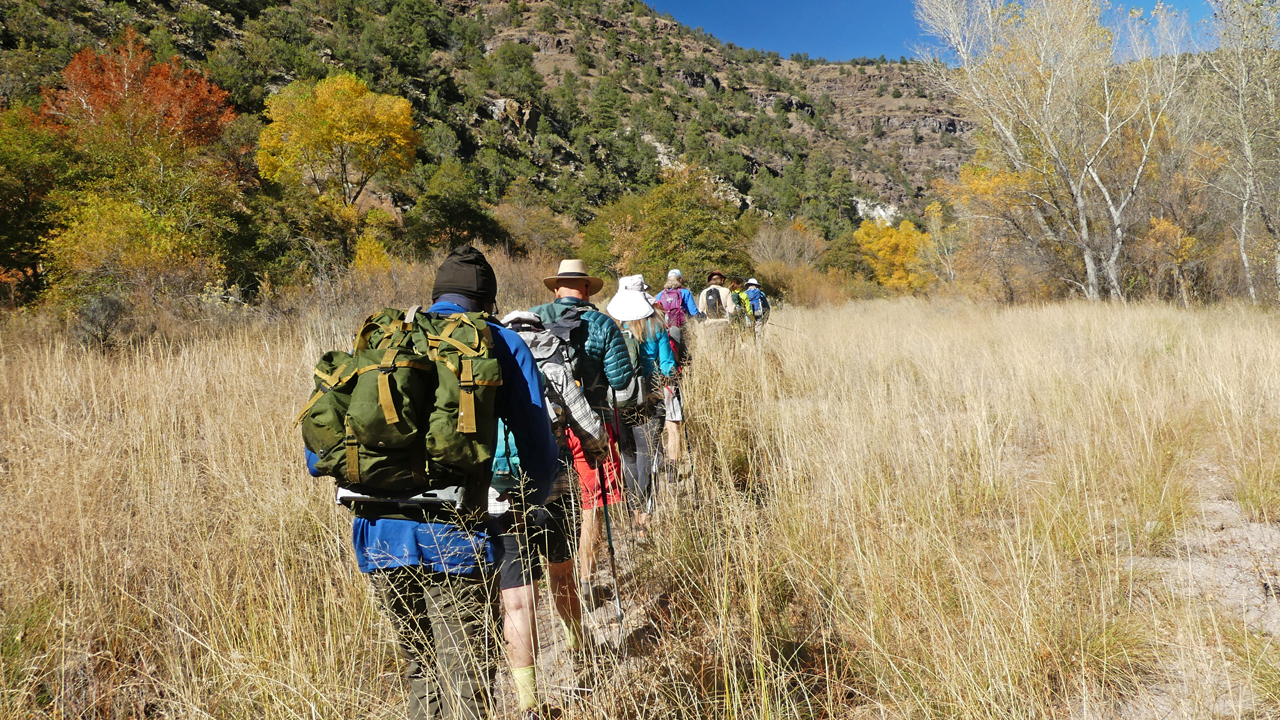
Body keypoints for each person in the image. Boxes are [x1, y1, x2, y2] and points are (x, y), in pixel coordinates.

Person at [309, 246, 559, 720]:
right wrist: (532, 501)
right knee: (465, 674)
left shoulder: (389, 342)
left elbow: (319, 449)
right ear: (487, 300)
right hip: (454, 535)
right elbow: (539, 450)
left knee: (421, 670)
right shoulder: (498, 342)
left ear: (437, 294)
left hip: (376, 532)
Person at [490, 310, 613, 710]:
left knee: (517, 602)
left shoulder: (488, 362)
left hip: (501, 497)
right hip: (554, 490)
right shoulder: (554, 365)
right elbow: (588, 426)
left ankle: (528, 703)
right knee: (563, 578)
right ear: (541, 331)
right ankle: (579, 650)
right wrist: (597, 452)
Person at [529, 259, 635, 593]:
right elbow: (621, 380)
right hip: (591, 425)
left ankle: (557, 581)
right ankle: (586, 579)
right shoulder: (603, 324)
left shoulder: (533, 318)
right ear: (587, 288)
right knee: (592, 501)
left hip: (542, 424)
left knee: (546, 499)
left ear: (556, 288)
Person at [606, 275, 677, 541]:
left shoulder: (612, 323)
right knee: (648, 457)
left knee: (629, 458)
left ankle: (632, 513)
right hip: (650, 399)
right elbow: (667, 363)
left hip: (620, 400)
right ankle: (643, 524)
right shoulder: (656, 322)